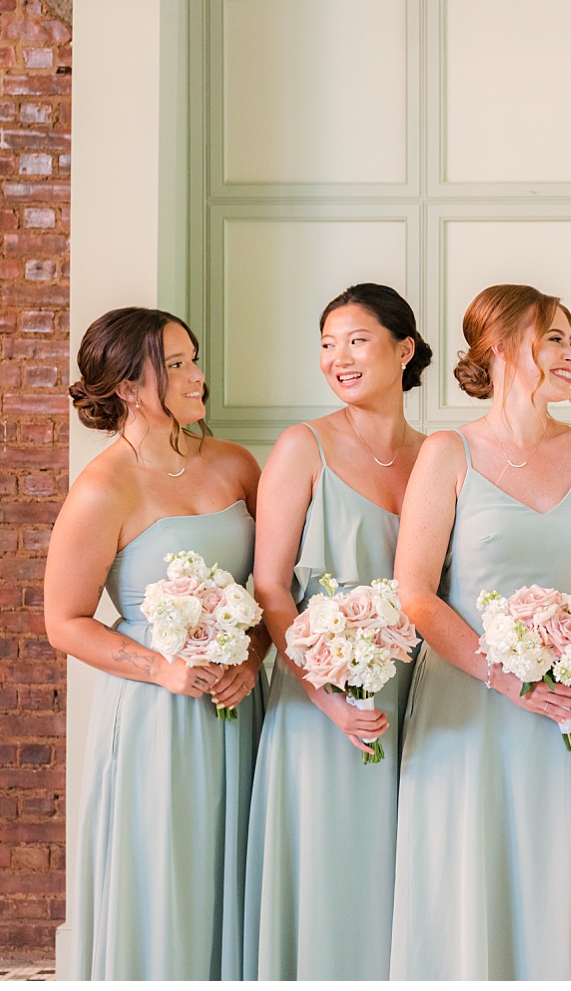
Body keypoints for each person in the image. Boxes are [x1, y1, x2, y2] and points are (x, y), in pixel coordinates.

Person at [390, 284, 571, 979]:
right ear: (498, 348)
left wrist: (566, 665)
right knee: (465, 880)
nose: (569, 353)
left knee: (558, 881)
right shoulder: (447, 453)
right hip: (469, 705)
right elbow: (416, 594)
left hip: (563, 706)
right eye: (553, 338)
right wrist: (506, 676)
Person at [49, 308, 265, 979]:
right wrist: (161, 668)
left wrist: (254, 656)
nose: (197, 374)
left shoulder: (234, 463)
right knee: (167, 877)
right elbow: (65, 621)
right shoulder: (101, 489)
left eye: (192, 358)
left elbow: (274, 583)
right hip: (155, 713)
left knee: (239, 871)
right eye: (175, 365)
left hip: (241, 702)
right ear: (127, 387)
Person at [243, 284, 431, 979]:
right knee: (330, 870)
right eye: (326, 344)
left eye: (355, 340)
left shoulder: (438, 453)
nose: (337, 358)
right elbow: (270, 586)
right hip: (317, 699)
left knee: (404, 871)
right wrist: (328, 697)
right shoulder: (304, 446)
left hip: (416, 695)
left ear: (403, 349)